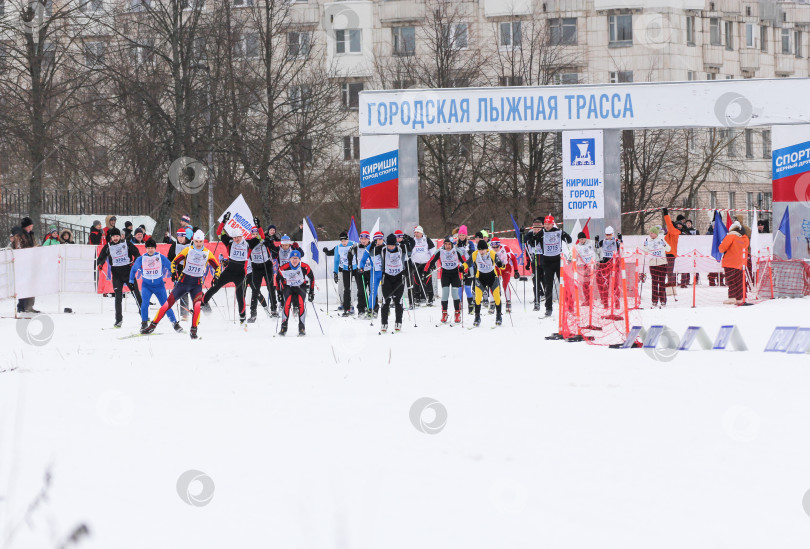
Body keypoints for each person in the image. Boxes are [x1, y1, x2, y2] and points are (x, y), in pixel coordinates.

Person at [142, 230, 220, 339]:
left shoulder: (207, 253)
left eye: (200, 241)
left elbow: (217, 267)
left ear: (203, 241)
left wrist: (216, 277)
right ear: (193, 240)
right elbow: (174, 262)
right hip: (183, 282)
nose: (198, 244)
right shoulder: (188, 250)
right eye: (196, 241)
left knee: (197, 306)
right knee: (166, 305)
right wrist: (174, 273)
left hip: (196, 285)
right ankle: (152, 325)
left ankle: (194, 329)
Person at [201, 213, 263, 323]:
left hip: (240, 274)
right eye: (234, 237)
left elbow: (261, 237)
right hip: (229, 271)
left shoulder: (249, 243)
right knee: (216, 286)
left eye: (238, 237)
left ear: (242, 236)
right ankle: (203, 303)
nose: (236, 239)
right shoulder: (230, 242)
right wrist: (224, 221)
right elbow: (219, 233)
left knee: (239, 295)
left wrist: (259, 227)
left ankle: (242, 316)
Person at [129, 238, 183, 333]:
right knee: (144, 304)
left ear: (155, 248)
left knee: (165, 305)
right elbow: (133, 270)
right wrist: (131, 282)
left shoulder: (160, 257)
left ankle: (175, 323)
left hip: (159, 286)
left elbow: (171, 266)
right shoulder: (142, 258)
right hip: (147, 286)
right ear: (145, 248)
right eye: (148, 248)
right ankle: (144, 323)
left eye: (152, 248)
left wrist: (174, 275)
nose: (150, 250)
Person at [96, 227, 142, 327]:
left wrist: (136, 260)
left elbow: (137, 253)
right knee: (118, 297)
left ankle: (144, 315)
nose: (115, 238)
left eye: (117, 236)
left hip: (128, 273)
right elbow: (100, 258)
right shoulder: (108, 246)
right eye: (113, 236)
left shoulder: (126, 243)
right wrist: (100, 264)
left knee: (136, 294)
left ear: (120, 236)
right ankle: (118, 320)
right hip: (116, 275)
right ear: (111, 237)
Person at [426, 236, 468, 323]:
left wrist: (465, 270)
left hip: (455, 274)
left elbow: (465, 262)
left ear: (452, 244)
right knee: (445, 294)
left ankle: (457, 313)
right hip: (445, 274)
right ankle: (444, 313)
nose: (447, 246)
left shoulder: (457, 251)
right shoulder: (440, 250)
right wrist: (426, 270)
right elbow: (431, 260)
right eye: (446, 244)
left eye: (449, 244)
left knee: (455, 294)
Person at [275, 250, 315, 336]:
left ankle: (302, 327)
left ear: (300, 259)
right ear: (289, 259)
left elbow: (312, 277)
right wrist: (278, 292)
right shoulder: (284, 267)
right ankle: (283, 327)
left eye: (296, 258)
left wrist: (312, 292)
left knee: (301, 303)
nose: (295, 260)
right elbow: (277, 279)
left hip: (300, 287)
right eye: (293, 258)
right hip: (288, 287)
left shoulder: (305, 267)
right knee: (287, 302)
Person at [539, 215, 572, 317]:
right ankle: (548, 308)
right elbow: (531, 241)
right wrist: (524, 235)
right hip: (547, 262)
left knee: (563, 283)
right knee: (548, 286)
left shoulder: (558, 232)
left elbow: (569, 240)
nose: (547, 226)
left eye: (549, 224)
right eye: (545, 224)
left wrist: (565, 235)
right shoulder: (542, 232)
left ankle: (570, 305)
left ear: (552, 223)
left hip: (557, 261)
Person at [376, 233, 409, 332]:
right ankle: (384, 323)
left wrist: (407, 241)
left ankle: (398, 322)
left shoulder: (401, 248)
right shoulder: (382, 249)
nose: (390, 247)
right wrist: (373, 245)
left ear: (395, 244)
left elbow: (411, 248)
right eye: (389, 245)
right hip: (387, 278)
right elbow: (369, 252)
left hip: (399, 277)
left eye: (392, 245)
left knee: (398, 301)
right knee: (386, 301)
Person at [246, 224, 277, 322]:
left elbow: (275, 251)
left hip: (267, 266)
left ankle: (274, 309)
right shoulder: (249, 242)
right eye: (253, 234)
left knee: (270, 287)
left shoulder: (264, 240)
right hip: (256, 268)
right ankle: (253, 314)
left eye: (257, 233)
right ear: (251, 235)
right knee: (255, 291)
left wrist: (268, 243)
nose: (255, 235)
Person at [470, 239, 504, 327]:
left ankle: (499, 316)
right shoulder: (475, 254)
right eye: (480, 249)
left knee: (496, 297)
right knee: (478, 298)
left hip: (492, 277)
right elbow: (467, 263)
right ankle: (477, 317)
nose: (481, 251)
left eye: (483, 249)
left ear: (486, 249)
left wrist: (501, 265)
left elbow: (500, 264)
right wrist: (462, 267)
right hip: (480, 278)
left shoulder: (491, 253)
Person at [325, 231, 357, 316]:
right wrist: (335, 272)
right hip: (344, 269)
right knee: (345, 288)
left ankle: (352, 305)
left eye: (345, 241)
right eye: (342, 241)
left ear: (348, 239)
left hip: (354, 269)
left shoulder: (354, 245)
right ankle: (345, 306)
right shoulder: (338, 247)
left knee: (352, 288)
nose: (344, 243)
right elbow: (336, 261)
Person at [718, 220, 750, 305]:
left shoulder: (730, 236)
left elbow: (722, 248)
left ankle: (732, 298)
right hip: (741, 263)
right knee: (739, 281)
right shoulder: (744, 239)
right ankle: (740, 298)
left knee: (731, 281)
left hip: (730, 263)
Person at [11, 217, 38, 313]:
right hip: (22, 263)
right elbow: (19, 249)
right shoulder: (19, 235)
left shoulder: (31, 234)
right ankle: (22, 306)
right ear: (26, 226)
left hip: (30, 262)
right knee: (23, 284)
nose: (32, 227)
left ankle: (29, 305)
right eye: (30, 226)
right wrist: (32, 248)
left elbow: (33, 244)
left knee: (31, 284)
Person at [168, 227, 193, 321]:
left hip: (191, 269)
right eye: (178, 237)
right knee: (183, 291)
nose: (180, 239)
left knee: (196, 290)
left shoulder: (191, 244)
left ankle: (206, 310)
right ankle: (185, 314)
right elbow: (170, 257)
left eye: (182, 237)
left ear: (185, 236)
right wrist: (173, 271)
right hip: (179, 269)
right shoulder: (175, 245)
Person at [642, 226, 671, 308]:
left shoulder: (661, 240)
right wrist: (645, 245)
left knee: (661, 282)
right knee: (654, 282)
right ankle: (654, 301)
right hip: (653, 264)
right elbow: (645, 251)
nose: (650, 234)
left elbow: (669, 249)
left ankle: (663, 301)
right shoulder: (648, 241)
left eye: (651, 233)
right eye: (650, 233)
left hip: (662, 263)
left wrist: (664, 244)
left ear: (656, 233)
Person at [594, 227, 622, 309]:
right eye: (607, 235)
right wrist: (596, 241)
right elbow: (597, 250)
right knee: (605, 284)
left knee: (615, 284)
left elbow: (621, 248)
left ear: (612, 234)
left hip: (614, 264)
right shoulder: (603, 241)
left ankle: (617, 303)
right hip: (605, 264)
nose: (608, 236)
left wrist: (621, 240)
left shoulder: (616, 241)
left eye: (609, 235)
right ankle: (605, 303)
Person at [490, 237, 519, 313]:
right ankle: (492, 303)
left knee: (505, 283)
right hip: (495, 268)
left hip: (506, 267)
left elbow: (514, 259)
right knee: (492, 284)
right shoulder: (489, 250)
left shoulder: (505, 248)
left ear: (499, 245)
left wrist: (516, 271)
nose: (495, 248)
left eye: (497, 246)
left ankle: (508, 302)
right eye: (494, 247)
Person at [359, 231, 385, 317]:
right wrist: (361, 267)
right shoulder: (370, 247)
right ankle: (370, 310)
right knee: (373, 292)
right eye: (376, 239)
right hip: (375, 273)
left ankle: (386, 308)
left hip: (385, 273)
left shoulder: (386, 246)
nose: (378, 241)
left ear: (382, 239)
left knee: (386, 291)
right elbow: (363, 260)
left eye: (380, 239)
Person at [522, 217, 545, 310]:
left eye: (538, 229)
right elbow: (522, 240)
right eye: (535, 229)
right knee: (535, 282)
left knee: (545, 281)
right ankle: (537, 302)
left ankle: (547, 301)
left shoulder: (544, 234)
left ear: (542, 228)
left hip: (544, 261)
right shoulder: (530, 234)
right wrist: (521, 233)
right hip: (534, 261)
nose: (536, 231)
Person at [410, 225, 436, 305]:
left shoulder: (427, 240)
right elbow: (410, 252)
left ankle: (430, 297)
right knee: (416, 281)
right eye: (415, 232)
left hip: (426, 264)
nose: (416, 234)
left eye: (418, 232)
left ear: (421, 233)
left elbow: (433, 252)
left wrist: (432, 263)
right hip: (416, 263)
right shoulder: (412, 241)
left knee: (427, 280)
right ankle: (417, 298)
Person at [455, 226, 476, 314]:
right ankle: (459, 305)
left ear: (466, 235)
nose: (462, 237)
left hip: (469, 267)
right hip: (459, 267)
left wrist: (469, 251)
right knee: (459, 288)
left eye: (463, 235)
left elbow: (474, 254)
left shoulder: (470, 243)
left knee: (467, 288)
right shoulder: (456, 244)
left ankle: (471, 306)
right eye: (460, 235)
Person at [351, 231, 372, 315]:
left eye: (365, 239)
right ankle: (361, 309)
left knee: (372, 291)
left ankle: (371, 308)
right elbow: (350, 256)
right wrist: (351, 267)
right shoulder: (356, 247)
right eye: (362, 239)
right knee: (361, 291)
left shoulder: (372, 246)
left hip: (370, 271)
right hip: (360, 271)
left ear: (368, 239)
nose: (363, 241)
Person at [573, 232, 596, 305]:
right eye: (580, 239)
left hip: (593, 265)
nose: (581, 241)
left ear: (585, 238)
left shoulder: (591, 243)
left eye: (582, 239)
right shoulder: (577, 247)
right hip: (584, 266)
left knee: (591, 283)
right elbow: (575, 256)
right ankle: (587, 299)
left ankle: (591, 299)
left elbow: (596, 251)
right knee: (585, 284)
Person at [662, 207, 680, 289]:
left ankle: (671, 283)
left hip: (670, 253)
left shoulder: (673, 232)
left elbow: (669, 223)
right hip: (667, 253)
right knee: (669, 269)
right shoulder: (670, 233)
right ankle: (671, 282)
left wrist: (665, 214)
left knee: (669, 270)